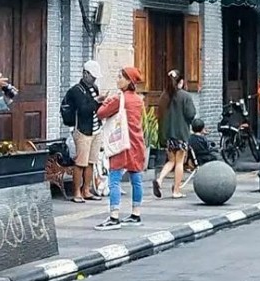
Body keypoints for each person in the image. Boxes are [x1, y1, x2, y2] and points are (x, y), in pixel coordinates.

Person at [95, 66, 146, 231]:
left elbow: (101, 113)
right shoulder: (138, 99)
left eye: (120, 77)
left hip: (120, 144)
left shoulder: (119, 99)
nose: (117, 79)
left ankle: (114, 216)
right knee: (136, 179)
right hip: (136, 143)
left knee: (114, 179)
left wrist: (106, 101)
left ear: (128, 81)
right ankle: (135, 214)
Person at [60, 59, 104, 202]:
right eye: (92, 76)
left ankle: (87, 189)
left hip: (96, 128)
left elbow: (95, 109)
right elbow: (84, 110)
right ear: (85, 74)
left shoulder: (95, 88)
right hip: (82, 130)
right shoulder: (76, 90)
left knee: (91, 161)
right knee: (80, 162)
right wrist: (96, 101)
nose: (94, 79)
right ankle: (77, 192)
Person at [154, 69, 196, 199]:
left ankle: (160, 179)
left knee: (171, 160)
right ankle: (176, 190)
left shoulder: (164, 96)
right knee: (179, 162)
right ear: (181, 82)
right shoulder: (185, 96)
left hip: (168, 135)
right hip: (181, 133)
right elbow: (191, 114)